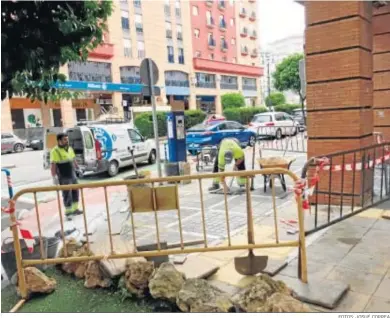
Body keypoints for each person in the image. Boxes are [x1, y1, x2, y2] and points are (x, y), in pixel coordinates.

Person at [50, 133, 83, 217]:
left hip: (72, 174)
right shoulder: (55, 151)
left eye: (67, 139)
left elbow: (73, 159)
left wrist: (78, 168)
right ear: (59, 141)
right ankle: (68, 212)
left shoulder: (69, 148)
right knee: (67, 193)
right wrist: (54, 177)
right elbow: (53, 165)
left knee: (75, 191)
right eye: (65, 139)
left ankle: (75, 209)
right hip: (63, 175)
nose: (67, 141)